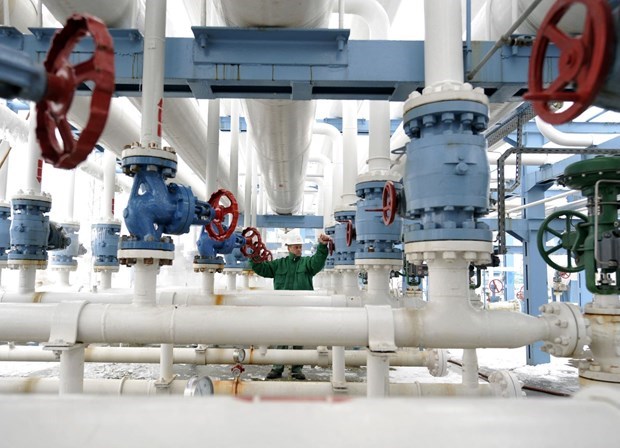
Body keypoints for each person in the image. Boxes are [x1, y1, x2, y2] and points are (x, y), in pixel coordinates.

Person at [249, 230, 331, 380]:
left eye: (300, 247)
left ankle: (296, 369)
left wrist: (322, 246)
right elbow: (262, 268)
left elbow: (317, 262)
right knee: (281, 338)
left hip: (301, 309)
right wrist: (252, 255)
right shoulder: (279, 264)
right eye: (296, 247)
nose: (299, 250)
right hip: (282, 309)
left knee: (299, 339)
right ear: (288, 248)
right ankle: (277, 368)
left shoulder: (307, 263)